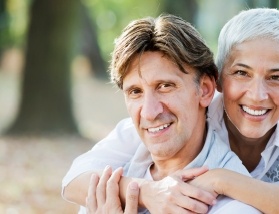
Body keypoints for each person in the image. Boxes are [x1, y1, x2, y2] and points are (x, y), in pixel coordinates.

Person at [63, 8, 279, 214]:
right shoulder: (184, 115)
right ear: (217, 80)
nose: (256, 95)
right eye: (241, 73)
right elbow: (75, 178)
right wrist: (147, 192)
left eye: (276, 77)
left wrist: (221, 180)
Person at [73, 14, 262, 214]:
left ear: (205, 89)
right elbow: (72, 179)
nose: (149, 112)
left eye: (165, 86)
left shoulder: (234, 205)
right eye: (135, 92)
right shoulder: (112, 185)